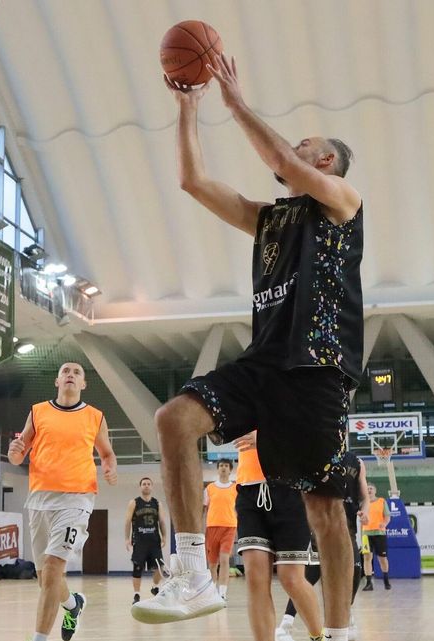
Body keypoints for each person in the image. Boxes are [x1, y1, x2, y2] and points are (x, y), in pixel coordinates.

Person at [135, 54, 364, 641]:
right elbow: (194, 183)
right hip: (264, 363)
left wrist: (235, 103)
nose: (293, 148)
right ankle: (193, 574)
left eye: (305, 143)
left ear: (326, 160)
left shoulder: (342, 202)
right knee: (174, 419)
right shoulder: (271, 219)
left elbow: (282, 159)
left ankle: (337, 632)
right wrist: (188, 109)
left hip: (317, 369)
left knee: (325, 512)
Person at [7, 361, 118, 641]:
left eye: (76, 372)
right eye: (65, 372)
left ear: (83, 384)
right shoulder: (38, 412)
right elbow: (18, 456)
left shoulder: (95, 416)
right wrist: (14, 452)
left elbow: (106, 453)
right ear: (57, 381)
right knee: (46, 579)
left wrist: (109, 466)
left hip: (77, 497)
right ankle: (72, 604)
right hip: (39, 498)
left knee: (55, 567)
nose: (70, 375)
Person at [233, 431, 324, 641]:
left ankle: (318, 636)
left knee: (291, 578)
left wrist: (267, 441)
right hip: (250, 490)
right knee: (255, 578)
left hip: (291, 489)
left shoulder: (299, 400)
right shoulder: (244, 401)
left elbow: (314, 438)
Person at [279, 462, 369, 641]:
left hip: (347, 528)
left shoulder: (357, 463)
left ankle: (344, 617)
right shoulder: (319, 454)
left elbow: (364, 497)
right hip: (319, 527)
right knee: (308, 576)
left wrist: (365, 511)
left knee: (355, 572)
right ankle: (285, 624)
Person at [125, 477, 167, 604]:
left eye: (149, 484)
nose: (146, 486)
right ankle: (136, 595)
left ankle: (155, 587)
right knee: (137, 568)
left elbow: (162, 522)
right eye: (144, 484)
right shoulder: (134, 503)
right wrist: (127, 538)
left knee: (160, 567)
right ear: (140, 487)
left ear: (152, 486)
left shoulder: (157, 503)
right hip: (139, 540)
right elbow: (127, 521)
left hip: (154, 541)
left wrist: (164, 536)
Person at [203, 459, 238, 599]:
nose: (223, 468)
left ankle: (222, 593)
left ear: (230, 470)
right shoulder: (210, 488)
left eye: (226, 466)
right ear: (217, 469)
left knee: (224, 560)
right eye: (221, 466)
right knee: (212, 563)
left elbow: (239, 509)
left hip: (229, 527)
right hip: (212, 527)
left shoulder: (236, 488)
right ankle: (212, 593)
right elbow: (205, 509)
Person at [359, 483, 391, 591]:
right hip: (366, 534)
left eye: (371, 488)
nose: (369, 490)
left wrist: (384, 524)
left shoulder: (381, 501)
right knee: (367, 558)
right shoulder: (363, 504)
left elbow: (387, 517)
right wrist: (361, 534)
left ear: (375, 491)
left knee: (382, 558)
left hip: (379, 533)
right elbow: (361, 520)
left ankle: (386, 580)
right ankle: (369, 583)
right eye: (367, 489)